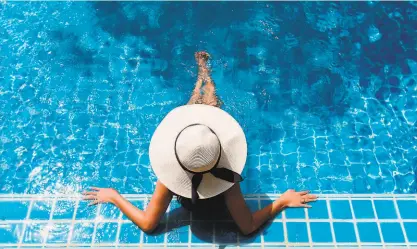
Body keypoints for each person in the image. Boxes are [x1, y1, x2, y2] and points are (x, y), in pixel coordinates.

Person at [83, 51, 317, 235]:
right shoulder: (227, 177)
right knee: (206, 116)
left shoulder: (168, 181)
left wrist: (114, 196)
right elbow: (247, 227)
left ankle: (201, 77)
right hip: (209, 161)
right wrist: (282, 201)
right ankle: (205, 76)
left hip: (191, 161)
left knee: (193, 122)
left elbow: (148, 224)